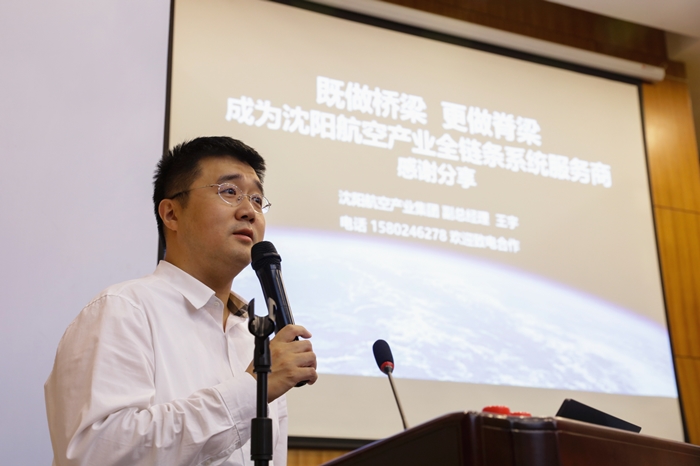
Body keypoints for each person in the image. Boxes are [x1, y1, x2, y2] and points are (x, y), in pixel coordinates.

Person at [44, 136, 317, 466]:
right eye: (229, 192)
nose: (249, 211)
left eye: (257, 200)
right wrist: (252, 390)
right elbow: (94, 454)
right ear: (171, 214)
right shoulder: (122, 310)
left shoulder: (254, 336)